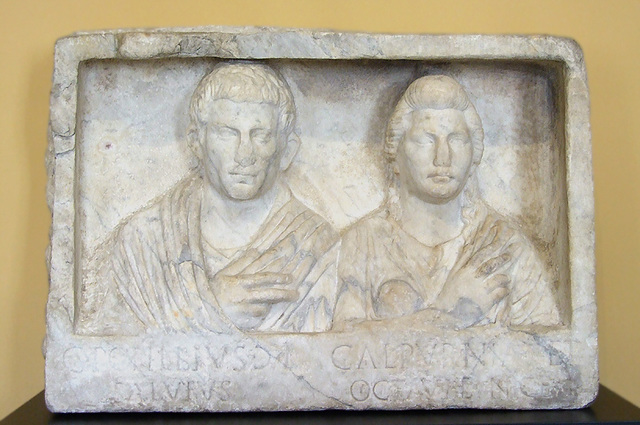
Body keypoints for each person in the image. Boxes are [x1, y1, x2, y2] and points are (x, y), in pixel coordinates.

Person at [76, 62, 339, 335]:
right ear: (195, 141)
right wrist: (210, 307)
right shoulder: (144, 242)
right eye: (227, 133)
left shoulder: (319, 246)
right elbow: (103, 358)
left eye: (261, 135)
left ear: (287, 150)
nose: (244, 154)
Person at [334, 75, 562, 330]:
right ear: (395, 155)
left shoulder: (504, 246)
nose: (443, 157)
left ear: (475, 154)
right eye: (425, 140)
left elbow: (550, 355)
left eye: (456, 139)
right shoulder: (364, 242)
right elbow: (339, 349)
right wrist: (448, 314)